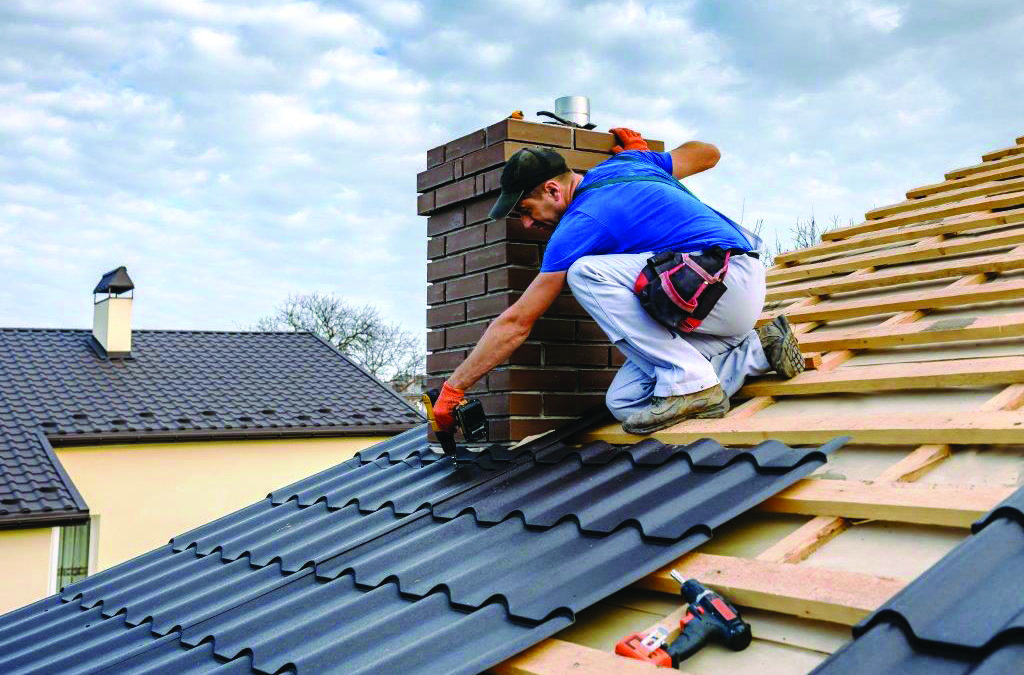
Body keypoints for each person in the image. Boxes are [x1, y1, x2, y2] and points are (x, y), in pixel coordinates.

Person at [431, 127, 804, 435]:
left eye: (526, 211)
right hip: (717, 302)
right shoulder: (631, 162)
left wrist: (455, 387)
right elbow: (708, 151)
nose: (527, 225)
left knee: (585, 272)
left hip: (722, 281)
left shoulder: (581, 223)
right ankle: (758, 350)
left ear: (552, 190)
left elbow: (517, 322)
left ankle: (692, 383)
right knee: (625, 402)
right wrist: (650, 161)